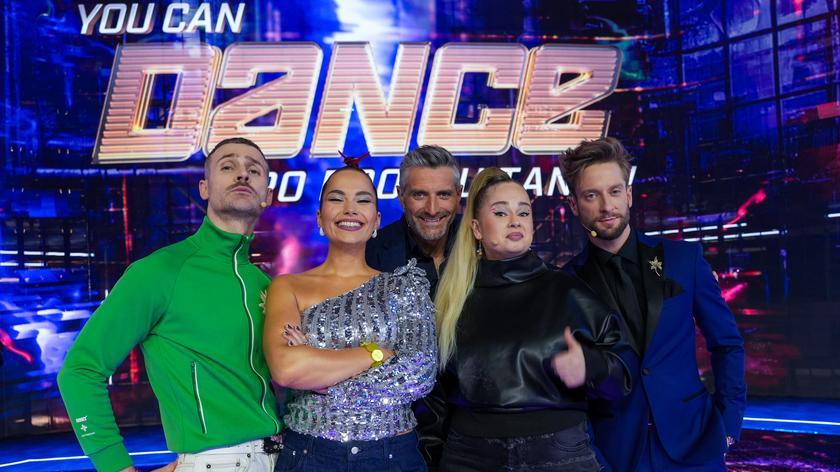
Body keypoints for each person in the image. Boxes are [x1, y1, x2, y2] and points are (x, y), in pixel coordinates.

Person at [58, 137, 281, 471]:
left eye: (254, 170)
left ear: (267, 195)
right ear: (204, 188)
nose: (242, 174)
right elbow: (79, 370)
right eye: (227, 166)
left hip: (282, 457)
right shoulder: (160, 272)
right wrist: (115, 465)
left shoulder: (266, 285)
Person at [431, 167, 634, 471]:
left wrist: (590, 366)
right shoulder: (451, 298)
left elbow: (625, 376)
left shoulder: (568, 291)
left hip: (558, 453)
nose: (515, 221)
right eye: (501, 213)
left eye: (523, 212)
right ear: (477, 228)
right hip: (469, 455)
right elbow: (432, 394)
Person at [561, 137, 746, 471]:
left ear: (629, 195)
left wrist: (728, 425)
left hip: (695, 444)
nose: (607, 206)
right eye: (591, 195)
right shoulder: (564, 284)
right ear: (573, 204)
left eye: (615, 191)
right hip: (616, 453)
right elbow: (568, 393)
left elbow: (727, 344)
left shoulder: (684, 260)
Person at [264, 161, 437, 471]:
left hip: (391, 456)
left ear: (376, 220)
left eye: (362, 200)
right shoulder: (288, 287)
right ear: (320, 217)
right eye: (336, 198)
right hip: (311, 456)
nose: (349, 209)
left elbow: (418, 374)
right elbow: (287, 369)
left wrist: (320, 376)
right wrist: (377, 353)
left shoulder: (404, 286)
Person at [365, 145, 462, 297]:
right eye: (419, 195)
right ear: (401, 196)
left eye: (443, 195)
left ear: (458, 195)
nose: (432, 210)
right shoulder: (371, 254)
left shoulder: (480, 242)